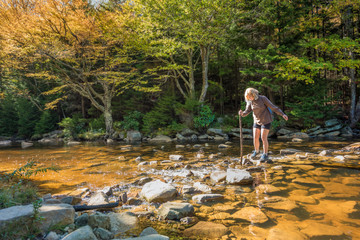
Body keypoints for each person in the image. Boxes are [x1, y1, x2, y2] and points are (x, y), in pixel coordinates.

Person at [238, 88, 288, 162]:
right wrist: (242, 114)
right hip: (256, 121)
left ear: (254, 94)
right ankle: (257, 151)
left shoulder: (263, 98)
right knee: (255, 137)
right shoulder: (250, 102)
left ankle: (265, 154)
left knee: (263, 137)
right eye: (248, 97)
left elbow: (273, 107)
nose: (249, 98)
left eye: (250, 96)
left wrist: (282, 114)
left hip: (266, 120)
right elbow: (247, 111)